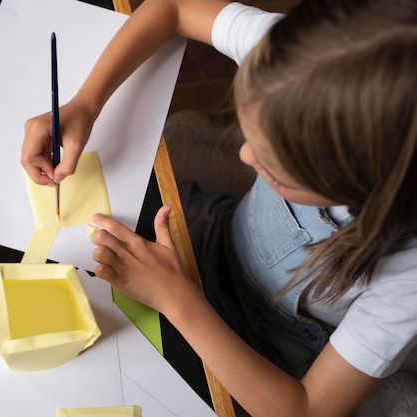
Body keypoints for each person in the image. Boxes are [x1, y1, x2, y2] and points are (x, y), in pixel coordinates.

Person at [21, 0, 417, 416]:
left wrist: (177, 300)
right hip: (219, 232)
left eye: (275, 168)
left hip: (264, 350)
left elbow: (305, 409)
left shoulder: (407, 277)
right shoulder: (305, 61)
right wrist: (86, 102)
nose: (243, 156)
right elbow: (172, 7)